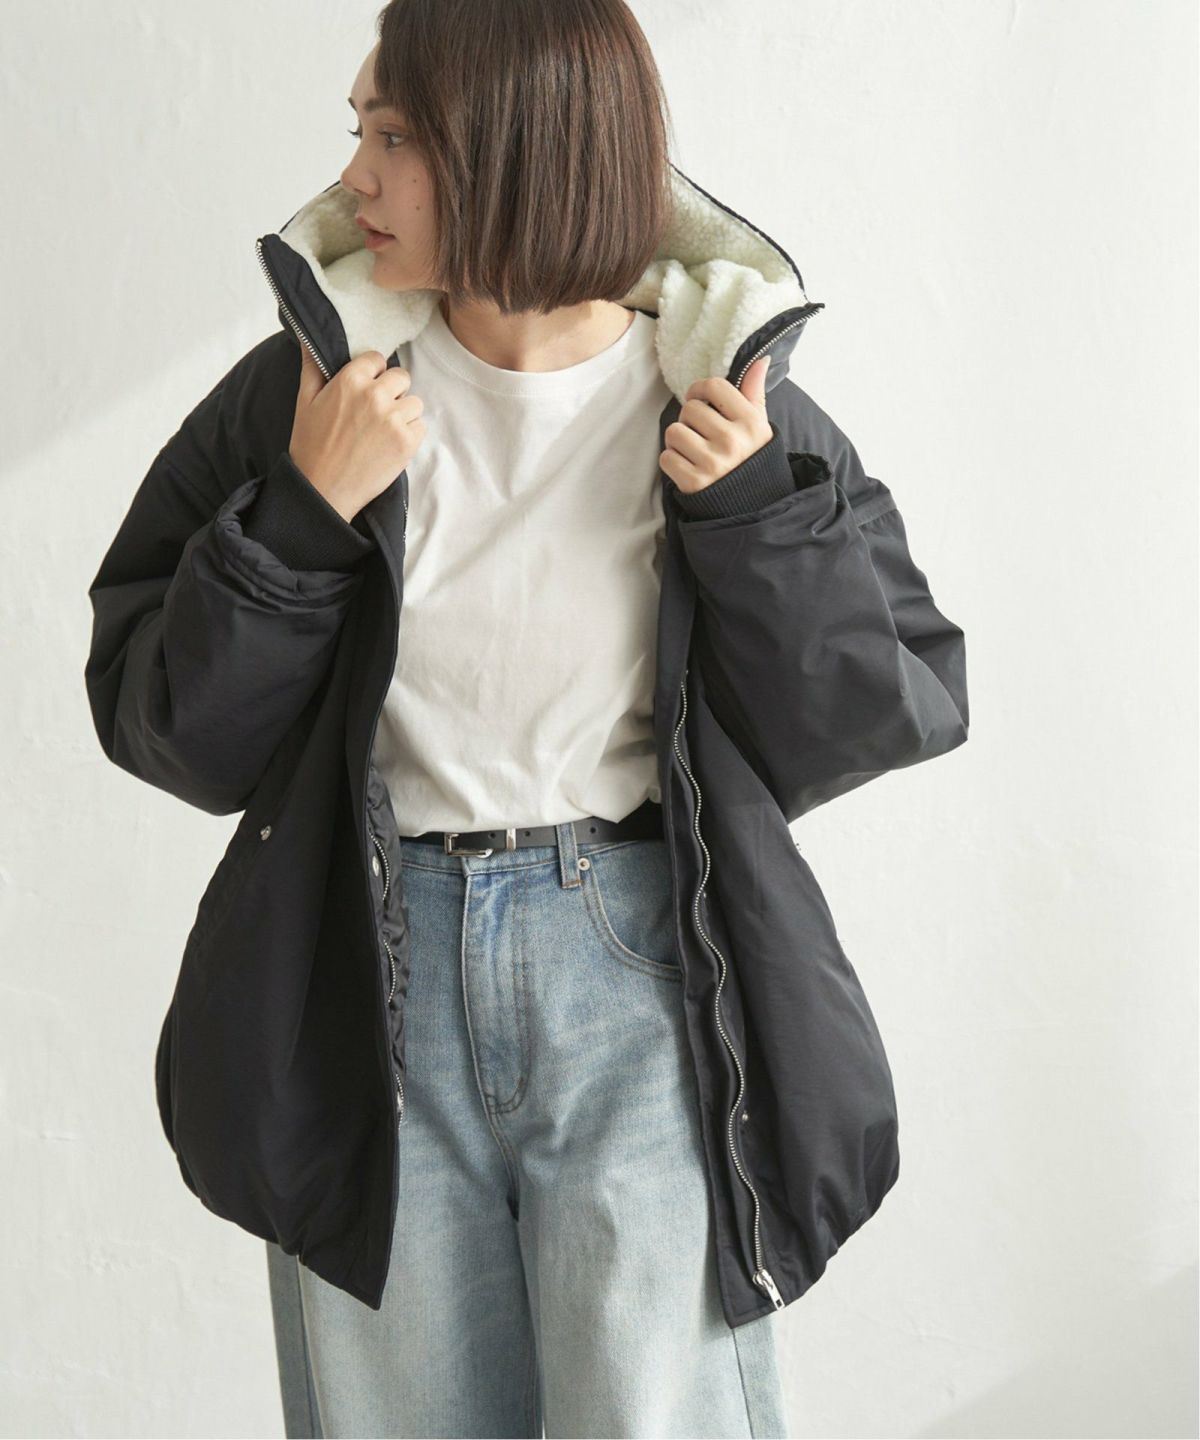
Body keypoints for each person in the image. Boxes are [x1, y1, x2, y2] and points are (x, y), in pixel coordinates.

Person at [84, 1, 969, 1436]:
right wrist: (304, 514)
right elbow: (169, 726)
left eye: (394, 136)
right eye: (358, 133)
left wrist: (753, 514)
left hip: (643, 973)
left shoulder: (719, 397)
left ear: (516, 146)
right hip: (369, 978)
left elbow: (888, 710)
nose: (354, 178)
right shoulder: (310, 397)